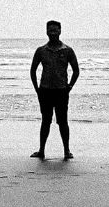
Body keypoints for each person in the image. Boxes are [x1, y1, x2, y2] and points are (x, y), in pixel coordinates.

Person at [29, 19, 79, 160]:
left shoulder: (67, 50)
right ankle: (41, 150)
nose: (53, 32)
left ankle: (67, 151)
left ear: (60, 31)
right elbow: (32, 71)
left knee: (62, 121)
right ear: (46, 32)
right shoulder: (41, 51)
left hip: (61, 90)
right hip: (45, 90)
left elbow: (76, 71)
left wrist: (69, 87)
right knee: (46, 120)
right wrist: (37, 89)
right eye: (50, 30)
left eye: (55, 30)